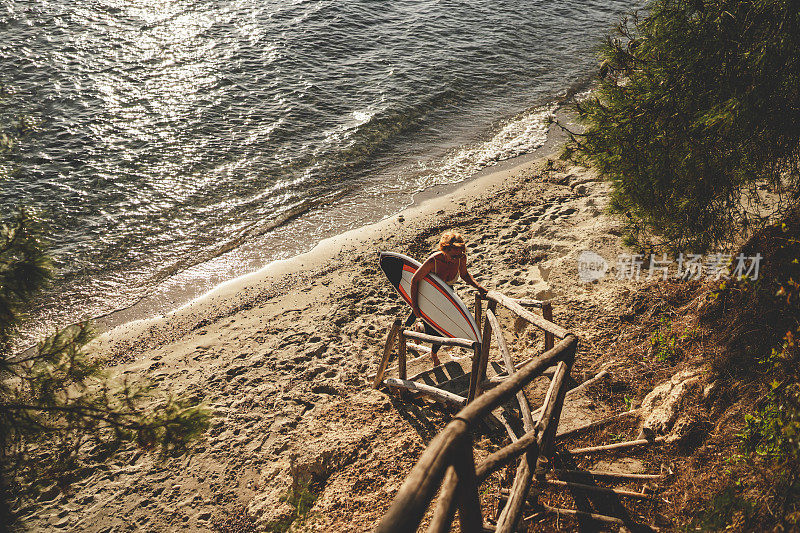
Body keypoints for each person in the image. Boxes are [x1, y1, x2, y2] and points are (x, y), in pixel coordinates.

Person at [408, 231, 488, 366]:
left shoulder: (461, 258)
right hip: (428, 296)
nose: (456, 259)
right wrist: (415, 306)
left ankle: (425, 339)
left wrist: (478, 286)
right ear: (444, 249)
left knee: (442, 329)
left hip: (447, 295)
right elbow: (414, 280)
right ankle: (422, 337)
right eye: (453, 256)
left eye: (459, 255)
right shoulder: (434, 260)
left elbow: (464, 275)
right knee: (428, 327)